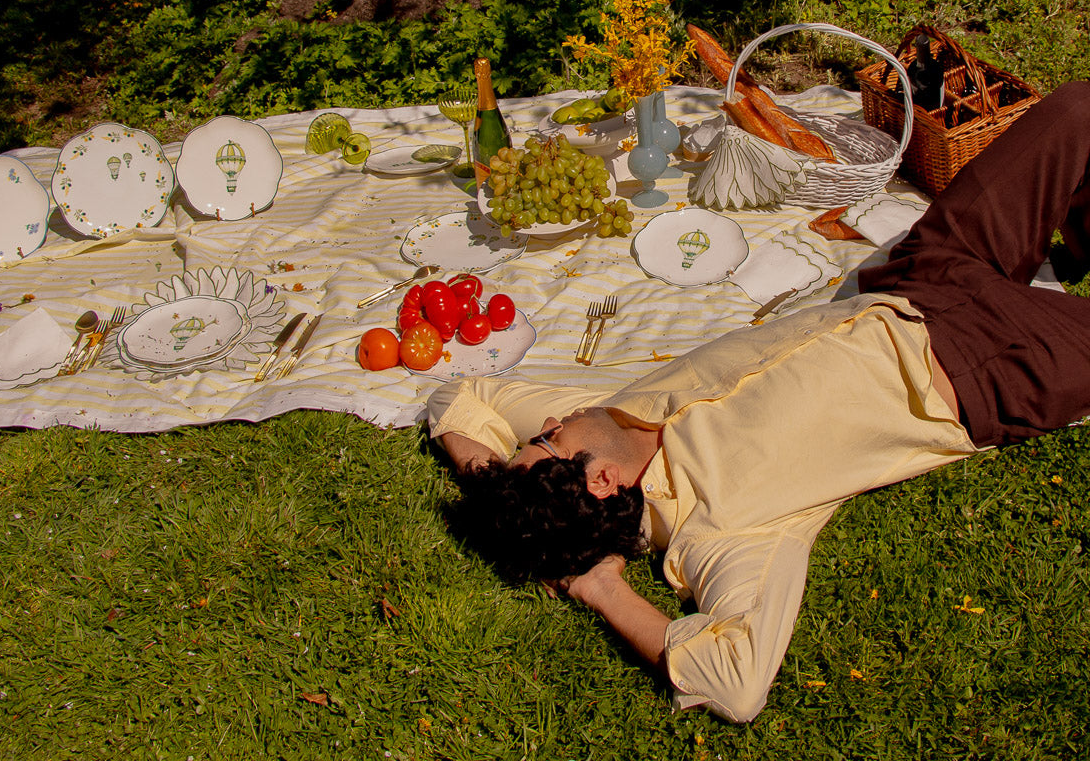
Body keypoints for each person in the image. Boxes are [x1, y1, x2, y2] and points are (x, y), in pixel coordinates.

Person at [427, 80, 1090, 723]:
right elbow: (734, 684)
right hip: (994, 363)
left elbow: (462, 394)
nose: (546, 421)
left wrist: (500, 496)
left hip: (919, 277)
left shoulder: (608, 419)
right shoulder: (724, 534)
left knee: (1078, 108)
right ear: (601, 481)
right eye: (545, 440)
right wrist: (599, 585)